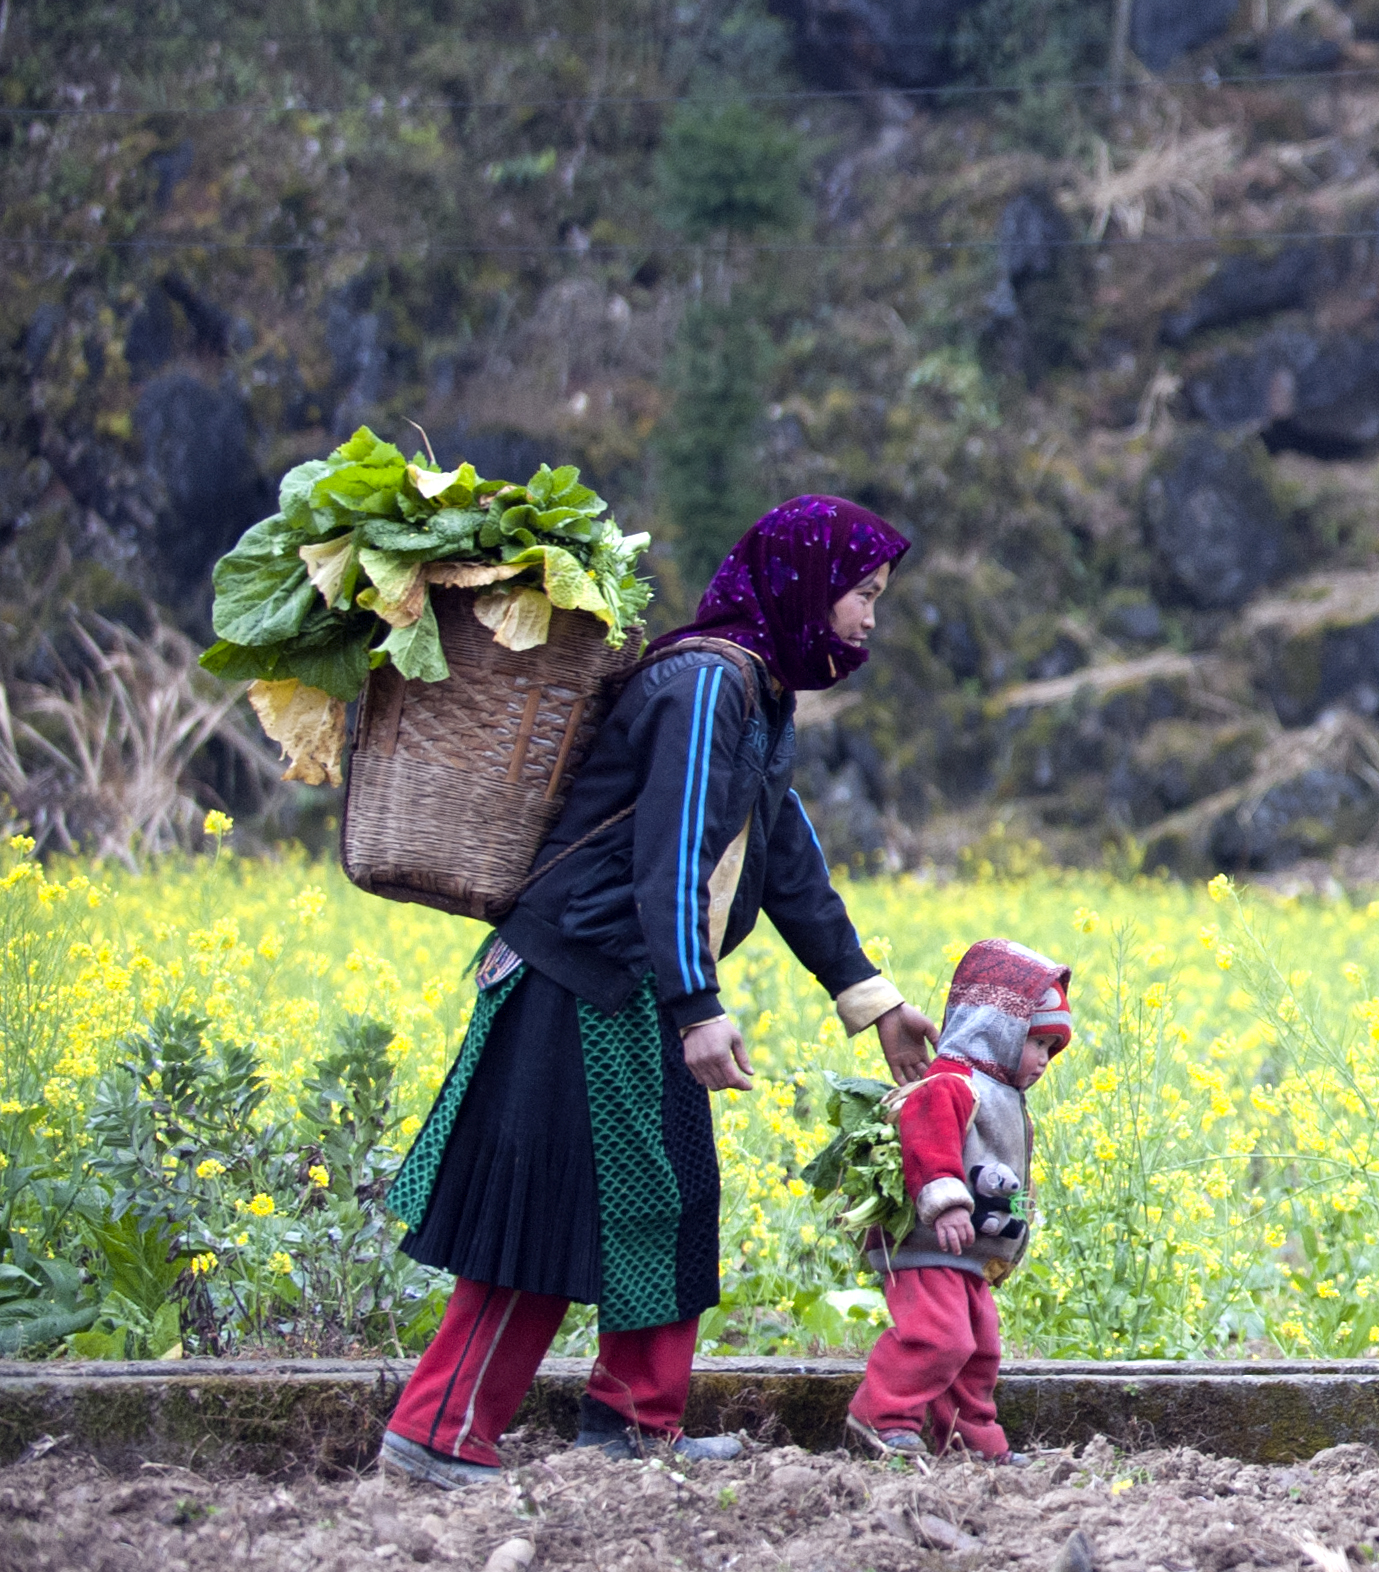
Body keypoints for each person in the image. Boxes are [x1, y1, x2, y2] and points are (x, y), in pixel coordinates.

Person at [377, 496, 938, 1489]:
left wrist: (873, 996)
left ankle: (635, 1420)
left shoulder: (759, 693)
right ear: (806, 586)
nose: (868, 620)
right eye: (862, 595)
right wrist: (699, 1005)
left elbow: (785, 861)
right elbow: (669, 854)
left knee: (672, 1194)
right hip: (572, 973)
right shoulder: (705, 684)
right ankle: (435, 1432)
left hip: (637, 982)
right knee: (536, 1205)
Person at [847, 939, 1074, 1463]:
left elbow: (1014, 1180)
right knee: (939, 1337)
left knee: (981, 1349)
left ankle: (974, 1442)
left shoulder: (1005, 1100)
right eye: (1037, 1043)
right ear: (998, 1028)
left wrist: (1013, 1233)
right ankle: (882, 1417)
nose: (1042, 1061)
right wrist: (947, 1202)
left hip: (967, 1253)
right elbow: (927, 1138)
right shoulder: (953, 1082)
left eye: (1051, 1051)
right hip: (927, 1244)